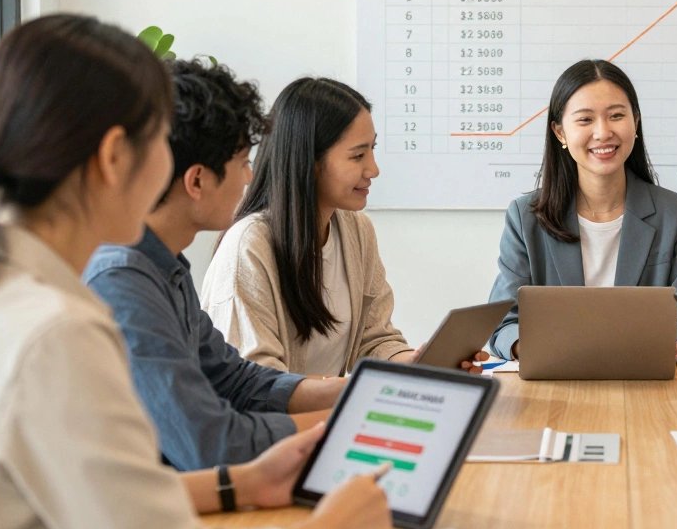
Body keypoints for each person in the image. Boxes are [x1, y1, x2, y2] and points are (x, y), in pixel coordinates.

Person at [0, 15, 390, 529]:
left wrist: (240, 483)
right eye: (161, 140)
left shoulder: (3, 286)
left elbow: (100, 500)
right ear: (113, 157)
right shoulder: (57, 333)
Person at [85, 58, 349, 471]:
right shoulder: (122, 281)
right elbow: (210, 444)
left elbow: (235, 381)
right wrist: (345, 424)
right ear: (197, 181)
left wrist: (356, 394)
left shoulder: (164, 265)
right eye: (243, 163)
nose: (249, 178)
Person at [201, 77, 487, 376]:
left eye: (372, 150)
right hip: (280, 422)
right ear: (308, 161)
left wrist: (420, 364)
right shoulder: (248, 247)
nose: (373, 169)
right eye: (358, 155)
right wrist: (351, 392)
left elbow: (374, 339)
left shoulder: (356, 230)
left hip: (329, 415)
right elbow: (255, 383)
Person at [486, 59, 677, 362]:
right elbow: (502, 325)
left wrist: (675, 347)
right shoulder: (525, 217)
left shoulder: (676, 214)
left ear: (636, 122)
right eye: (585, 120)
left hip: (645, 381)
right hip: (554, 382)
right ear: (560, 132)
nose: (603, 133)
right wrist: (536, 350)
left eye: (617, 115)